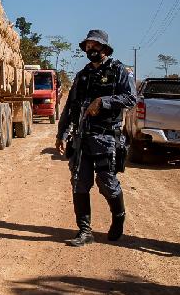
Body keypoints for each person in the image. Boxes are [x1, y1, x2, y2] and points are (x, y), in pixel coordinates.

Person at [56, 29, 137, 247]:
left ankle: (118, 217)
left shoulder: (120, 70)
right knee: (79, 184)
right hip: (82, 139)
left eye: (95, 46)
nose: (91, 50)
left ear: (104, 48)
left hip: (106, 138)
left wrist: (103, 101)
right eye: (88, 46)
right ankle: (84, 231)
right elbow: (70, 107)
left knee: (107, 183)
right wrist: (62, 134)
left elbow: (131, 98)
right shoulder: (82, 75)